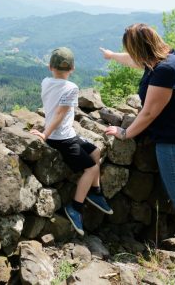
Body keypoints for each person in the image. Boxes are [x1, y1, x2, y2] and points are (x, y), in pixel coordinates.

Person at [101, 23, 175, 261]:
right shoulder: (168, 56)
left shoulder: (165, 71)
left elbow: (148, 113)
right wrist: (113, 56)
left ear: (141, 48)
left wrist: (125, 134)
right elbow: (136, 61)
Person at [30, 47, 113, 236]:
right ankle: (75, 207)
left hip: (66, 134)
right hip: (62, 138)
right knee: (91, 168)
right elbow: (60, 113)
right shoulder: (71, 88)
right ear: (72, 69)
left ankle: (96, 192)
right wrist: (45, 134)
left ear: (50, 67)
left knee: (95, 152)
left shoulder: (45, 82)